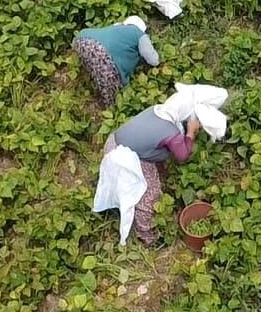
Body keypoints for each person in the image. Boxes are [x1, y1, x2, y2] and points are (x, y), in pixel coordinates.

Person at [104, 106, 200, 245]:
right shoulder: (171, 132)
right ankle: (147, 236)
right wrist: (191, 133)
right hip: (124, 159)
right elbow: (182, 155)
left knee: (153, 177)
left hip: (115, 143)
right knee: (148, 195)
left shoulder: (159, 110)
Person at [72, 16, 159, 106]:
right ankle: (109, 109)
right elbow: (152, 59)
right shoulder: (139, 34)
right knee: (111, 89)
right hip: (101, 53)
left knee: (95, 69)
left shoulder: (116, 27)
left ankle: (90, 87)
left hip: (82, 38)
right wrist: (159, 61)